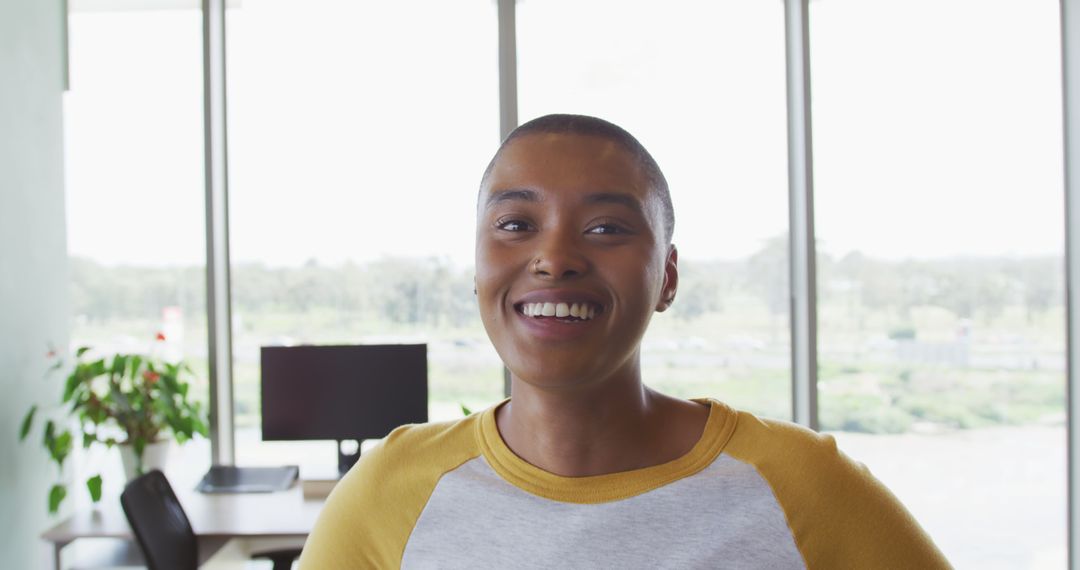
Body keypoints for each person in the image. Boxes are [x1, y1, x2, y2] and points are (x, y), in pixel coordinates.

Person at [299, 114, 951, 569]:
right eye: (517, 223)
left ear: (666, 277)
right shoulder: (388, 491)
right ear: (477, 272)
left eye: (607, 228)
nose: (554, 258)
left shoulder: (803, 485)